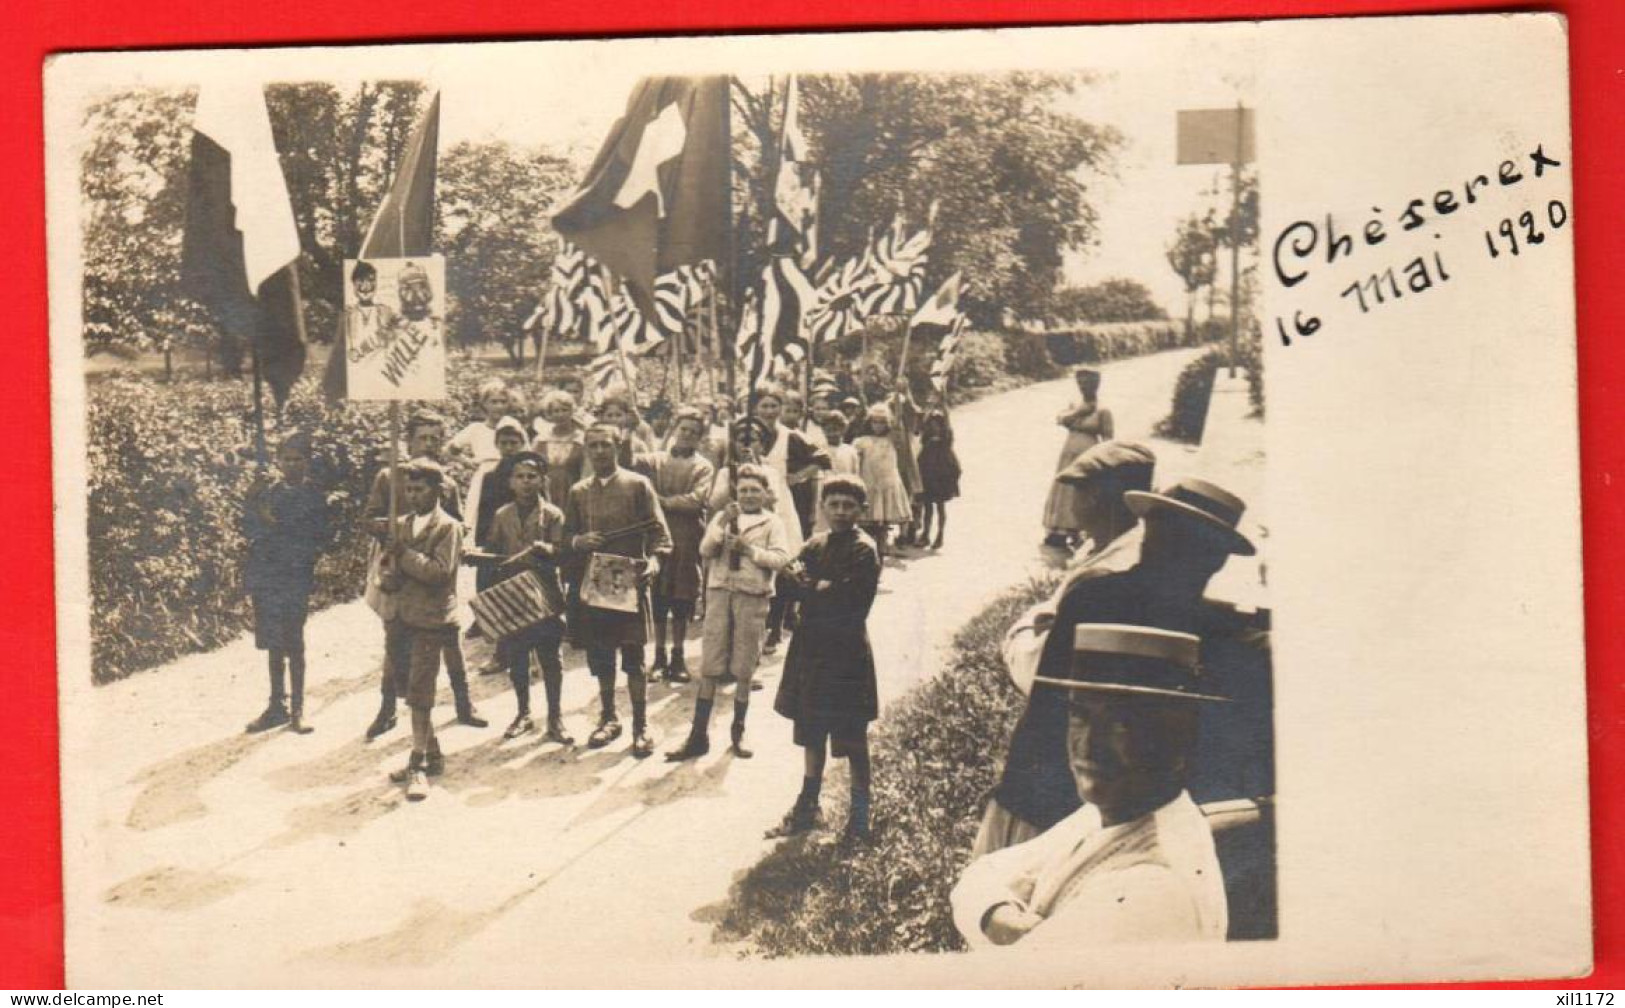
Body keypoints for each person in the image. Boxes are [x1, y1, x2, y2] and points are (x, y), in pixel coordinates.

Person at [977, 477, 1255, 855]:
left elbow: (1045, 700)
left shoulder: (1093, 594)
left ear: (1150, 533)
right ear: (1215, 559)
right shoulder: (1216, 632)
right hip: (1122, 819)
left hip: (1039, 790)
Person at [951, 624, 1228, 948]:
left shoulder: (1152, 891)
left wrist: (996, 919)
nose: (1088, 744)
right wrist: (997, 915)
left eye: (1120, 725)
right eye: (1080, 715)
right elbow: (982, 871)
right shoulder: (1110, 814)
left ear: (1177, 737)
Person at [767, 476, 883, 840]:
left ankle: (860, 816)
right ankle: (808, 807)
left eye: (849, 505)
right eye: (833, 504)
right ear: (823, 507)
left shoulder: (864, 549)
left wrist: (813, 588)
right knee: (811, 729)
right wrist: (814, 587)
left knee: (852, 736)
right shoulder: (815, 544)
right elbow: (786, 582)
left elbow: (848, 599)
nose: (841, 512)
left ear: (861, 510)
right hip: (811, 650)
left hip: (845, 653)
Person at [363, 411, 487, 740]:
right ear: (408, 440)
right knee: (396, 634)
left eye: (435, 438)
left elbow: (458, 521)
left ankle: (464, 703)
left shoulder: (442, 480)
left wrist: (457, 535)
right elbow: (370, 517)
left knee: (448, 634)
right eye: (423, 437)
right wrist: (393, 529)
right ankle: (387, 708)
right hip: (396, 566)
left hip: (435, 564)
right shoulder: (389, 477)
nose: (429, 444)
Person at [667, 464, 792, 762]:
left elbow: (781, 559)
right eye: (744, 489)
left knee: (744, 665)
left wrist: (749, 550)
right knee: (711, 662)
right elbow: (706, 550)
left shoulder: (772, 522)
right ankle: (698, 735)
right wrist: (723, 524)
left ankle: (738, 730)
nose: (749, 495)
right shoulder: (724, 518)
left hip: (752, 595)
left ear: (765, 494)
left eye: (755, 490)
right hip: (720, 592)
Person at [563, 422, 674, 758]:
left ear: (618, 446)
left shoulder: (638, 485)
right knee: (602, 655)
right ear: (585, 449)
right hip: (596, 585)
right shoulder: (578, 492)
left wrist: (654, 561)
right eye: (593, 445)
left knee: (634, 656)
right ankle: (609, 717)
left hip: (630, 583)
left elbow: (661, 536)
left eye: (605, 445)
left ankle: (641, 723)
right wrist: (578, 541)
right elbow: (565, 539)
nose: (599, 451)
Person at [376, 460, 463, 801]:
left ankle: (417, 764)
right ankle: (432, 753)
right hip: (401, 616)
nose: (413, 496)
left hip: (431, 618)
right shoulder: (400, 524)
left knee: (421, 690)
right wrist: (389, 574)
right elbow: (387, 567)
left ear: (438, 490)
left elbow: (440, 572)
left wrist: (406, 554)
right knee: (406, 687)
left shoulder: (448, 528)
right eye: (408, 490)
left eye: (420, 489)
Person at [482, 451, 573, 744]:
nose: (525, 482)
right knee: (517, 655)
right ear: (510, 482)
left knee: (550, 657)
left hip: (545, 594)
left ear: (542, 479)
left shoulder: (554, 515)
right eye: (519, 477)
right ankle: (523, 712)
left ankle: (555, 717)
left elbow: (563, 554)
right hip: (513, 596)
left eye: (531, 476)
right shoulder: (502, 515)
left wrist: (549, 551)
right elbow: (494, 553)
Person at [242, 433, 330, 735]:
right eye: (286, 459)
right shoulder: (269, 492)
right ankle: (276, 705)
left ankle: (298, 709)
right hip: (268, 577)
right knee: (273, 643)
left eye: (298, 459)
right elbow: (249, 529)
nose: (292, 465)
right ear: (278, 461)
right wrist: (253, 498)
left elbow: (308, 535)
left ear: (308, 462)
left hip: (295, 576)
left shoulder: (314, 495)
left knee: (294, 641)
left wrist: (270, 519)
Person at [633, 407, 715, 683]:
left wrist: (661, 502)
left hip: (687, 536)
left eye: (694, 432)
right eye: (683, 429)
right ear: (674, 429)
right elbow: (630, 464)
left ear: (700, 438)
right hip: (656, 535)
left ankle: (678, 655)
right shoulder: (654, 460)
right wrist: (633, 427)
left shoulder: (703, 466)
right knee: (657, 595)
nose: (687, 435)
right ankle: (658, 655)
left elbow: (698, 499)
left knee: (682, 596)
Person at [1043, 368, 1115, 550]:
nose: (1084, 387)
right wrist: (1079, 412)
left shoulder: (1104, 409)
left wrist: (1103, 460)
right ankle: (1059, 530)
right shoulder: (1075, 405)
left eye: (1088, 383)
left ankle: (1078, 530)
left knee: (1082, 490)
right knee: (1064, 487)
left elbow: (1108, 438)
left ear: (1097, 384)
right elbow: (1060, 420)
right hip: (1069, 452)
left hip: (1088, 453)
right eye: (1080, 383)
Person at [851, 404, 914, 560]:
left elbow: (902, 428)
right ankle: (868, 557)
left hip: (888, 485)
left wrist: (899, 405)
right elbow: (855, 462)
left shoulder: (892, 440)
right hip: (870, 485)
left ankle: (881, 553)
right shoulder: (862, 441)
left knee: (883, 527)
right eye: (875, 422)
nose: (878, 426)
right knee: (868, 526)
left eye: (882, 422)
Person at [914, 406, 961, 551]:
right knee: (927, 507)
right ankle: (926, 534)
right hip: (928, 475)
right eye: (932, 424)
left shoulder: (945, 439)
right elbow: (921, 425)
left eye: (937, 424)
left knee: (940, 507)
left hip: (942, 476)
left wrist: (943, 399)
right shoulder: (926, 439)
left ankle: (940, 535)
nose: (934, 426)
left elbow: (947, 421)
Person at [531, 389, 587, 508]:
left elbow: (587, 472)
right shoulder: (541, 440)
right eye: (556, 411)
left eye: (564, 410)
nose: (560, 414)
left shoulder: (581, 439)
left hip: (572, 491)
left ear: (572, 411)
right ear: (549, 414)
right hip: (544, 492)